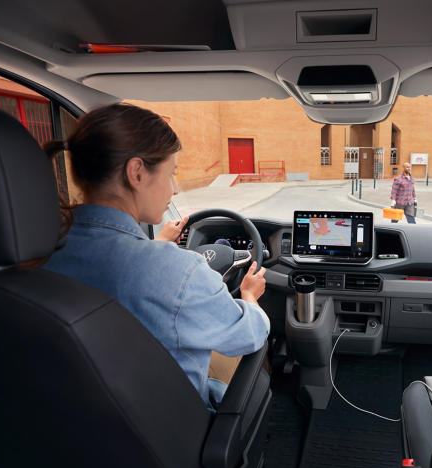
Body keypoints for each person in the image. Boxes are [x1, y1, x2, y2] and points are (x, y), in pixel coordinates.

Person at [41, 103, 269, 412]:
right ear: (136, 172)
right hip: (174, 428)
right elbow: (248, 335)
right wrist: (249, 296)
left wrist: (159, 244)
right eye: (171, 173)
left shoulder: (41, 251)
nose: (175, 189)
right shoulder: (178, 270)